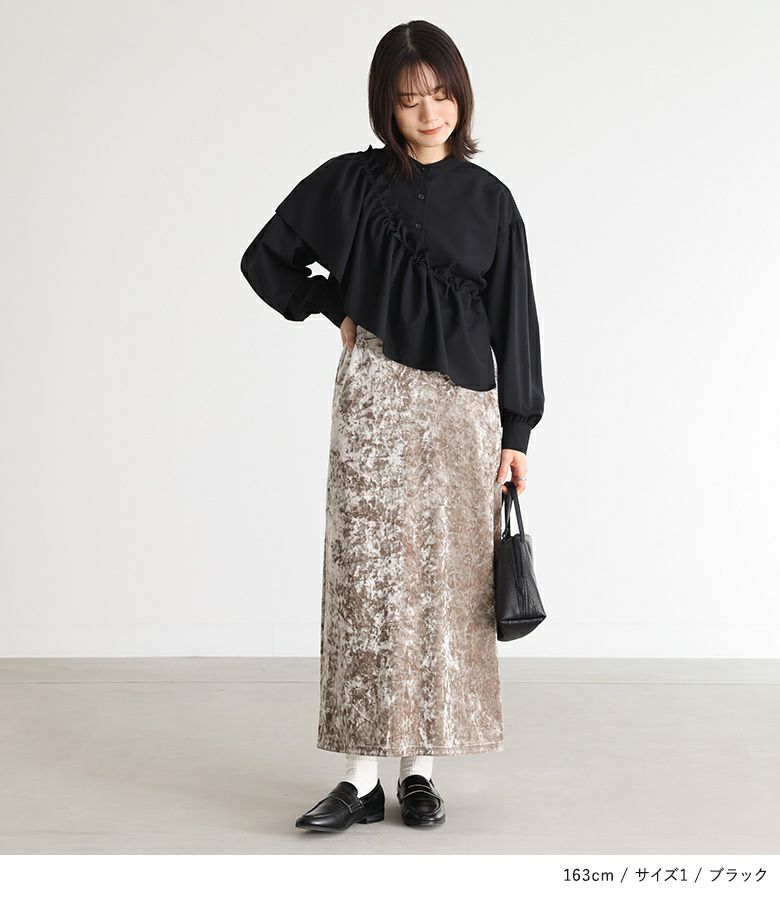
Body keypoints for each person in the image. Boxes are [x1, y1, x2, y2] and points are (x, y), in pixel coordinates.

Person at [239, 20, 544, 832]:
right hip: (373, 396)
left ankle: (420, 772)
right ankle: (359, 779)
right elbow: (264, 260)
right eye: (410, 100)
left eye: (440, 95)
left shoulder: (491, 200)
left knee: (447, 585)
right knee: (365, 581)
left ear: (460, 96)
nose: (429, 113)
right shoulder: (348, 184)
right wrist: (328, 304)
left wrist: (518, 432)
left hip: (462, 412)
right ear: (386, 105)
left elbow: (515, 320)